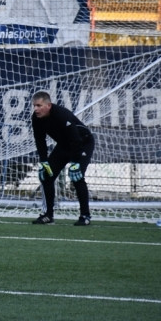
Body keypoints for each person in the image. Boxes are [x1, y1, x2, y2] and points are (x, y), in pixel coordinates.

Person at [30, 91, 95, 226]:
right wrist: (43, 161)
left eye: (38, 105)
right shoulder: (36, 118)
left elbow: (76, 139)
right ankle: (48, 215)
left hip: (82, 143)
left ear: (48, 105)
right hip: (65, 145)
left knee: (77, 176)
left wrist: (76, 162)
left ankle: (85, 216)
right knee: (47, 176)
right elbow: (39, 140)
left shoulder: (61, 114)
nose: (35, 109)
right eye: (34, 106)